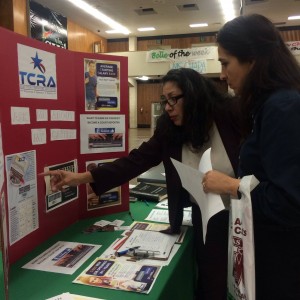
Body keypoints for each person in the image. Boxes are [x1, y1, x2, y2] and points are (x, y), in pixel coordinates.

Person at [42, 68, 241, 300]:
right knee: (211, 281)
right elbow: (136, 161)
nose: (168, 107)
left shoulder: (231, 117)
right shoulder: (169, 130)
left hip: (243, 212)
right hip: (207, 217)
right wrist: (81, 178)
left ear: (194, 95)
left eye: (173, 99)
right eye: (164, 100)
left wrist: (232, 184)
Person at [201, 14, 300, 300]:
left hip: (281, 262)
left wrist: (230, 185)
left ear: (253, 60)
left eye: (225, 63)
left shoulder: (283, 107)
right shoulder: (266, 105)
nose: (222, 75)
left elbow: (288, 201)